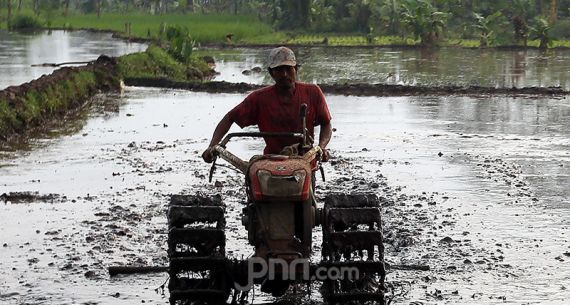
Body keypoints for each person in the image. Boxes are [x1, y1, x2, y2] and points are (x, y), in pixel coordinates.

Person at [202, 46, 332, 163]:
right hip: (271, 160)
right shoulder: (260, 98)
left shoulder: (312, 92)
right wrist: (212, 145)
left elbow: (326, 123)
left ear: (296, 69)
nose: (284, 74)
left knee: (305, 189)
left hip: (304, 160)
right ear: (271, 72)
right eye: (279, 70)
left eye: (288, 69)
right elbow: (230, 118)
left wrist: (322, 147)